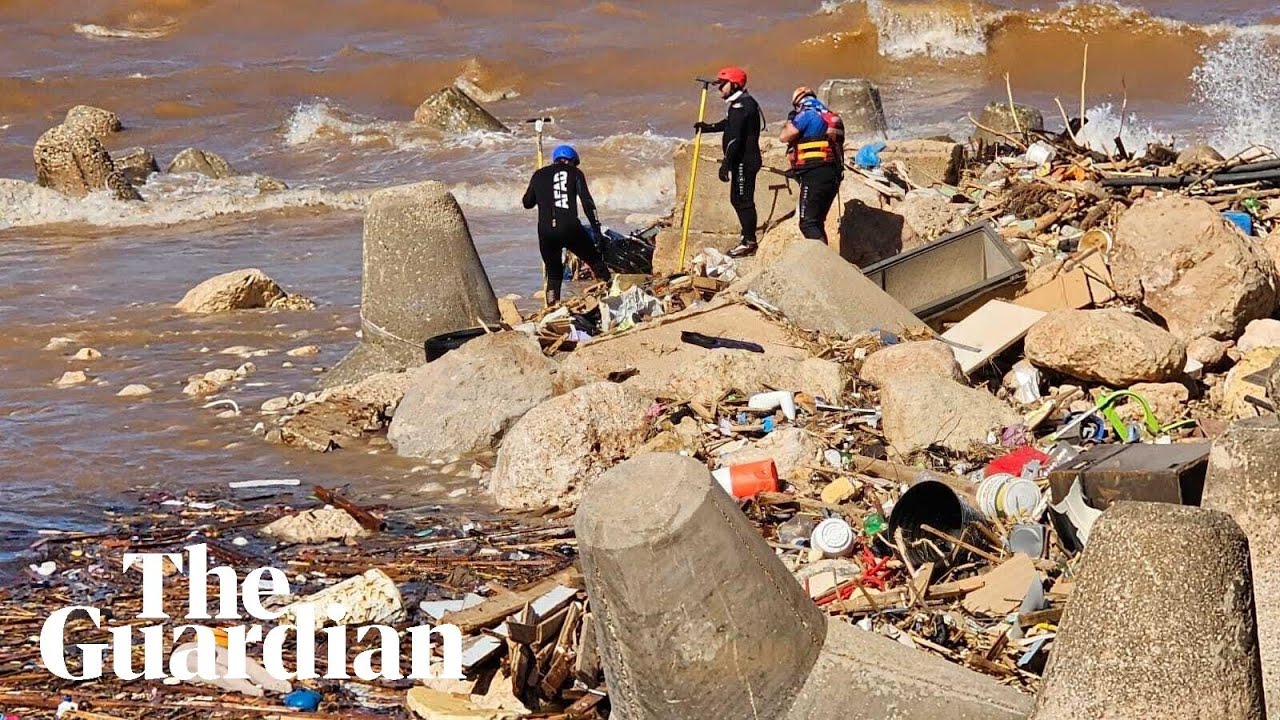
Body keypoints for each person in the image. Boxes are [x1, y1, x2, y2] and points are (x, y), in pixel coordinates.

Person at [521, 144, 612, 306]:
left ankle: (552, 307)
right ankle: (610, 294)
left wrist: (540, 188)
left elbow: (527, 203)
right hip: (570, 228)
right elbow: (587, 203)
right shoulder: (575, 173)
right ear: (571, 161)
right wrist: (596, 230)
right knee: (595, 260)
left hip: (546, 231)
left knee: (554, 274)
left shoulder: (539, 174)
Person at [694, 66, 763, 258]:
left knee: (743, 200)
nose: (719, 89)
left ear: (734, 85)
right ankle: (747, 237)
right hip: (741, 160)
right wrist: (709, 127)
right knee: (738, 199)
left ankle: (749, 242)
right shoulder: (740, 103)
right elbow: (729, 124)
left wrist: (726, 164)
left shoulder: (742, 106)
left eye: (722, 85)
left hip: (744, 161)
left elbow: (735, 138)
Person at [779, 86, 845, 243]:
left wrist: (790, 120)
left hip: (815, 174)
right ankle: (825, 262)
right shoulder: (830, 116)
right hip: (832, 174)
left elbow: (784, 136)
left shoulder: (807, 114)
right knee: (816, 222)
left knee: (807, 223)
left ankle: (823, 263)